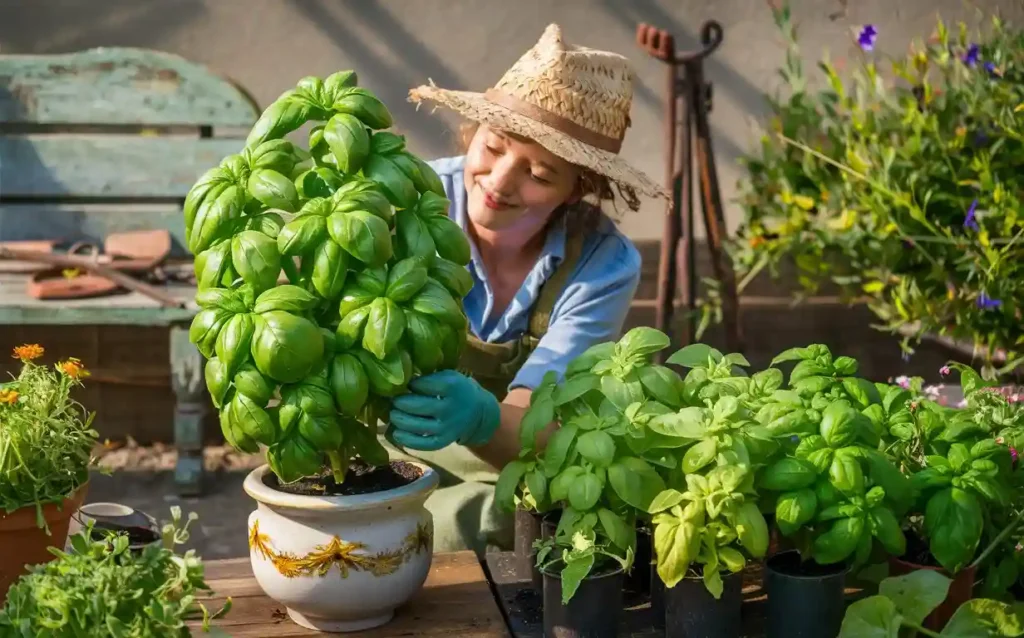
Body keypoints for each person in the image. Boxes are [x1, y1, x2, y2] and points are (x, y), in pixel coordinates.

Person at [381, 23, 669, 554]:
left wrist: (480, 417)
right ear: (474, 133)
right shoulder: (406, 199)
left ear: (578, 188)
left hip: (499, 462)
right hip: (386, 441)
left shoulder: (602, 264)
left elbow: (537, 425)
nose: (499, 182)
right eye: (493, 147)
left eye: (538, 173)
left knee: (520, 511)